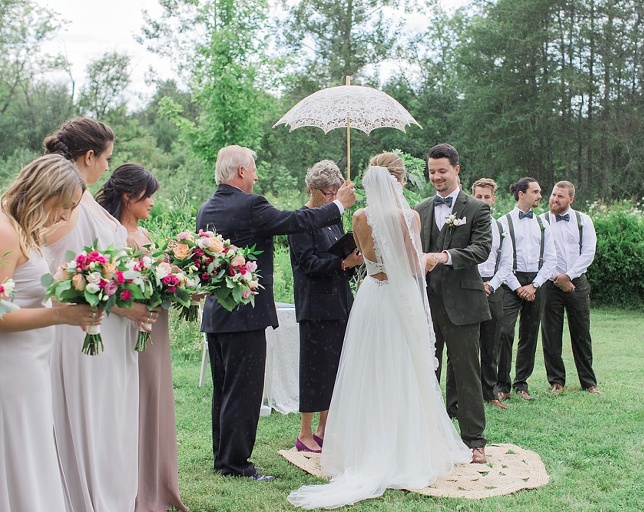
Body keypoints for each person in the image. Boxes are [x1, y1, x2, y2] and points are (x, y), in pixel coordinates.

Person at [287, 154, 471, 509]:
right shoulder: (410, 217)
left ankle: (363, 444)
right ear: (398, 181)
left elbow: (364, 256)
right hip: (398, 298)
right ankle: (406, 446)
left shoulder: (357, 217)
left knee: (367, 370)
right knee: (402, 368)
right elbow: (412, 267)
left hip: (371, 297)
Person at [196, 145, 356, 481]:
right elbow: (296, 220)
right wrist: (339, 204)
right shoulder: (251, 205)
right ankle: (237, 464)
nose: (256, 176)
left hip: (217, 315)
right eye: (253, 169)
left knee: (223, 390)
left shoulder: (206, 208)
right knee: (244, 391)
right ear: (240, 171)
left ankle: (223, 457)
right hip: (246, 316)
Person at [43, 117, 157, 512]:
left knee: (109, 422)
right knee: (93, 421)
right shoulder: (67, 199)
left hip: (106, 330)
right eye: (106, 157)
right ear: (89, 155)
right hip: (84, 333)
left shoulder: (82, 194)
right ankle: (89, 498)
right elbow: (69, 274)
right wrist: (126, 304)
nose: (109, 166)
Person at [0, 154, 104, 512]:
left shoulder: (23, 230)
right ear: (43, 192)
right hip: (10, 371)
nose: (64, 217)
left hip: (31, 366)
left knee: (32, 453)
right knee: (17, 455)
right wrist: (59, 314)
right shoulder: (5, 231)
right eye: (64, 206)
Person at [95, 163, 189, 511]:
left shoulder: (144, 233)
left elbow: (158, 279)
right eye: (146, 195)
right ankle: (135, 486)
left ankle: (157, 480)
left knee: (156, 394)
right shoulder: (113, 234)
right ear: (127, 195)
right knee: (139, 396)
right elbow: (115, 287)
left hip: (156, 323)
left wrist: (182, 283)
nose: (151, 201)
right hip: (133, 326)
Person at [414, 143, 492, 464]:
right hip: (427, 306)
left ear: (457, 170)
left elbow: (481, 249)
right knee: (426, 372)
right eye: (432, 172)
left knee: (466, 373)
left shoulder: (476, 208)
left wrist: (443, 256)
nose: (436, 177)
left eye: (442, 171)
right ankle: (428, 436)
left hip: (463, 304)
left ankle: (475, 440)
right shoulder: (419, 209)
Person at [288, 160, 363, 454]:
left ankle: (324, 428)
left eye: (336, 191)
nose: (333, 197)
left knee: (335, 368)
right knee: (313, 369)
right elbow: (308, 263)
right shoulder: (300, 219)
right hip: (314, 305)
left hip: (340, 302)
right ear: (312, 189)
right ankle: (305, 433)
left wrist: (352, 256)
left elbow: (339, 255)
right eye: (327, 192)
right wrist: (343, 262)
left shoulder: (334, 219)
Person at [496, 177, 556, 402]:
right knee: (504, 332)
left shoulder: (543, 224)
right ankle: (503, 384)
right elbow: (501, 259)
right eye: (536, 192)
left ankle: (522, 383)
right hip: (510, 281)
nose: (540, 196)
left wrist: (535, 285)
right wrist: (518, 287)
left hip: (537, 282)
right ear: (522, 194)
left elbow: (551, 259)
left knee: (530, 334)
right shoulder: (503, 222)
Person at [540, 181, 601, 395]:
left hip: (577, 283)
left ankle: (588, 382)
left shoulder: (583, 221)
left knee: (581, 333)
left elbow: (588, 253)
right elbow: (540, 256)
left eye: (560, 196)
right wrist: (557, 277)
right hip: (549, 283)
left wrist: (568, 276)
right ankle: (556, 381)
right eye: (553, 195)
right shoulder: (542, 222)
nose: (554, 199)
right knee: (551, 334)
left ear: (571, 199)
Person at [471, 178, 512, 410]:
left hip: (494, 288)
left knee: (492, 341)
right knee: (469, 343)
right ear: (472, 196)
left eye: (487, 197)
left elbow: (506, 262)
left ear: (493, 199)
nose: (483, 201)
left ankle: (491, 391)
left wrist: (491, 285)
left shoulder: (500, 227)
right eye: (479, 196)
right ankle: (472, 391)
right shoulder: (466, 223)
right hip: (470, 285)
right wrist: (477, 284)